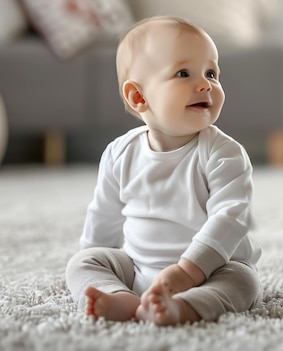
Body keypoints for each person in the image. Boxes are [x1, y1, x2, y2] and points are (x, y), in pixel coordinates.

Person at [65, 15, 262, 326]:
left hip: (212, 268)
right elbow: (104, 215)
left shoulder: (223, 153)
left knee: (243, 282)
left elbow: (231, 217)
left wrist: (188, 271)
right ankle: (122, 298)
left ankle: (183, 308)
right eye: (184, 73)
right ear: (139, 97)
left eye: (211, 73)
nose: (205, 84)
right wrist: (97, 257)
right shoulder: (120, 153)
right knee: (82, 262)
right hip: (137, 266)